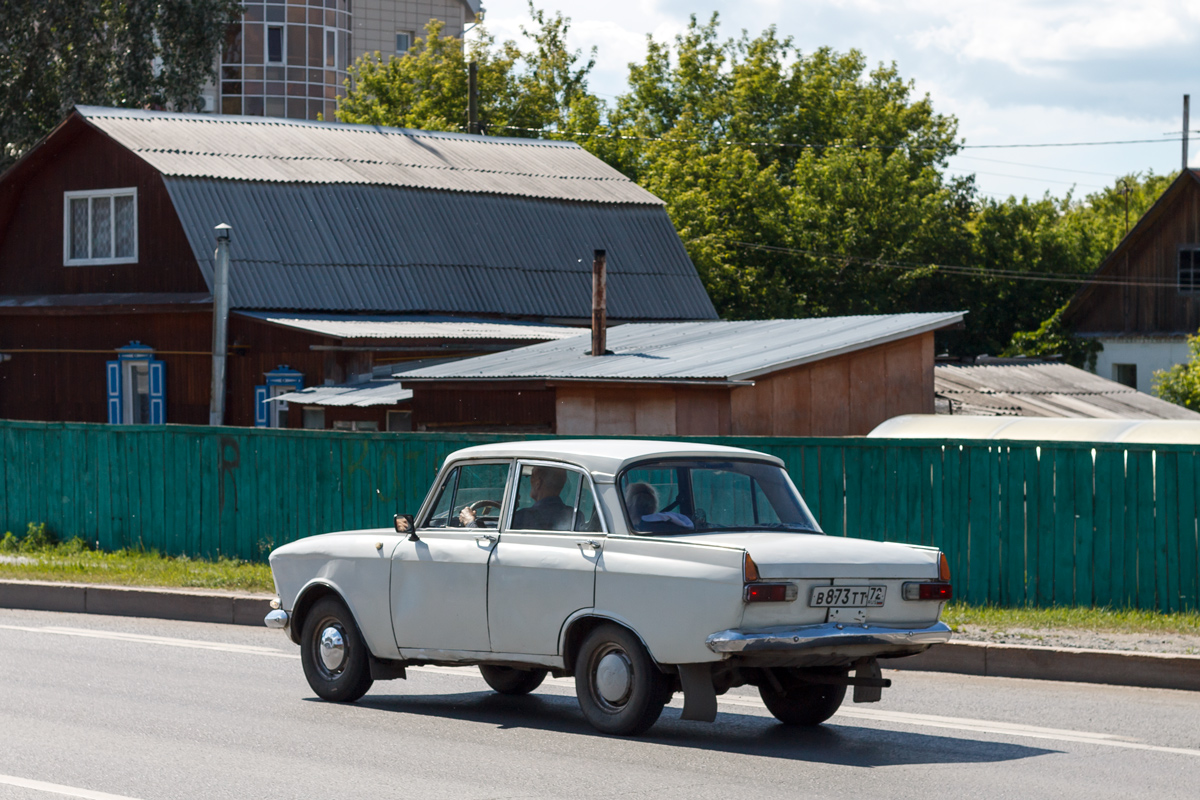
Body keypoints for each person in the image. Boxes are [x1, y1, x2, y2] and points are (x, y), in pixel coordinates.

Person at [510, 466, 574, 530]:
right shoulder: (575, 516)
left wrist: (509, 509)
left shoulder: (521, 518)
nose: (528, 480)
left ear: (538, 483)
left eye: (531, 476)